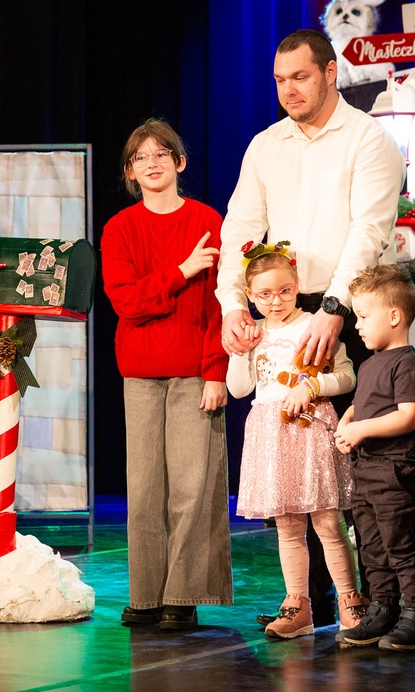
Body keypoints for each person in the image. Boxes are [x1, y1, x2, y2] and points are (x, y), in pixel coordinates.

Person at [217, 28, 405, 626]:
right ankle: (309, 601)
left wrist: (334, 308)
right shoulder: (266, 145)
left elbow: (369, 230)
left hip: (347, 309)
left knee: (356, 467)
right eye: (279, 80)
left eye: (299, 76)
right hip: (280, 307)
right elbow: (239, 228)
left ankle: (373, 600)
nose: (288, 90)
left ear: (329, 73)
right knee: (298, 475)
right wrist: (232, 305)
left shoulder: (367, 138)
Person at [100, 118, 232, 631]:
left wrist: (217, 371)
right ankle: (146, 595)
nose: (151, 163)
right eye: (140, 157)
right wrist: (181, 271)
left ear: (180, 162)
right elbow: (127, 302)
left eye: (161, 154)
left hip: (195, 372)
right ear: (130, 172)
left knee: (193, 488)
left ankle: (184, 594)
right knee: (144, 491)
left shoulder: (207, 221)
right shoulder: (120, 228)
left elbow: (220, 305)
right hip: (141, 372)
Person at [226, 248, 365, 640]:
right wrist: (240, 352)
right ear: (250, 295)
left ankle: (350, 602)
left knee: (328, 522)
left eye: (284, 291)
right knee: (287, 527)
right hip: (270, 435)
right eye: (265, 294)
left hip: (310, 431)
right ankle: (297, 605)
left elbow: (347, 376)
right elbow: (239, 388)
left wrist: (313, 386)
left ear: (297, 286)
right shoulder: (254, 333)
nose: (276, 301)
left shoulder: (313, 325)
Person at [332, 265, 415, 651]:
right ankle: (383, 608)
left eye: (363, 316)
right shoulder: (369, 362)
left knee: (401, 546)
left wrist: (361, 429)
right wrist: (348, 421)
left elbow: (408, 416)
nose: (357, 325)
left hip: (396, 471)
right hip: (367, 471)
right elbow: (363, 405)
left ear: (394, 316)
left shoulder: (407, 364)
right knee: (372, 546)